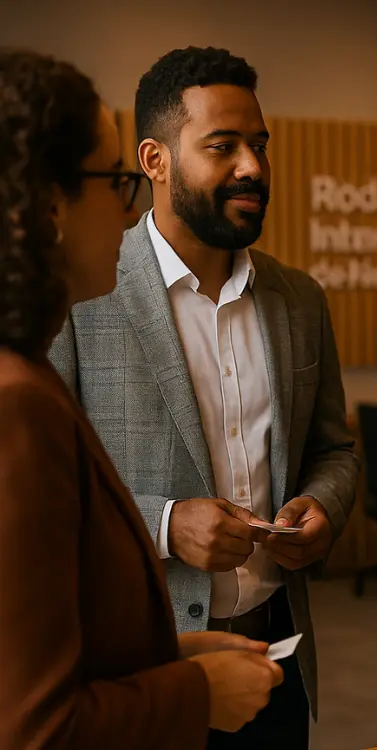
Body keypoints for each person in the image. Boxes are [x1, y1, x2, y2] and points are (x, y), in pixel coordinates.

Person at [47, 46, 358, 749]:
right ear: (154, 160)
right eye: (223, 146)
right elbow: (47, 487)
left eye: (259, 144)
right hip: (140, 669)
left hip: (276, 657)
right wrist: (163, 525)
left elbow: (334, 449)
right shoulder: (80, 293)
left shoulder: (300, 300)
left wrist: (324, 506)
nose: (252, 166)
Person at [0, 49, 283, 749]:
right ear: (50, 205)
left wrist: (171, 661)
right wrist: (194, 691)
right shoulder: (16, 401)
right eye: (117, 181)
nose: (131, 206)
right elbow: (34, 729)